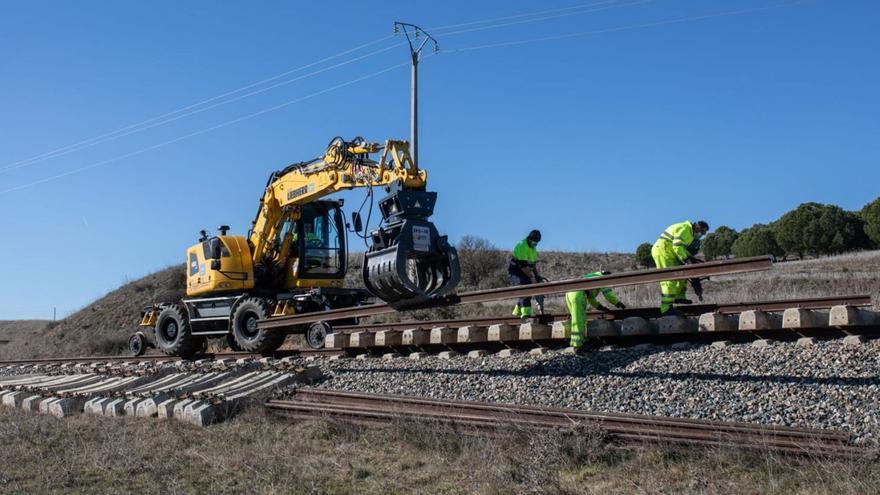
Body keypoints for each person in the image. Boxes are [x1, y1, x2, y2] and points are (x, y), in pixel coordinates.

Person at [651, 220, 710, 314]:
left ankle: (679, 296)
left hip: (670, 253)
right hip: (663, 252)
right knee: (669, 280)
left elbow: (681, 248)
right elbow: (677, 246)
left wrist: (691, 258)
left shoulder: (690, 233)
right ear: (698, 228)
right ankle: (666, 309)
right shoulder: (686, 229)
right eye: (702, 233)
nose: (701, 235)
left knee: (682, 274)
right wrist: (686, 258)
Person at [564, 271, 627, 349]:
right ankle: (578, 345)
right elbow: (608, 295)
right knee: (579, 319)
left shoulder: (592, 276)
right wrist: (617, 303)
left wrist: (599, 307)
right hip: (578, 295)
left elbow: (590, 298)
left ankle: (576, 341)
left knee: (575, 318)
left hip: (569, 293)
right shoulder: (603, 279)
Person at [509, 230, 543, 320]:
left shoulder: (533, 249)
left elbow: (532, 265)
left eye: (537, 242)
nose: (536, 244)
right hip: (516, 270)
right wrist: (532, 278)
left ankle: (516, 313)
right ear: (530, 239)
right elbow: (523, 266)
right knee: (525, 289)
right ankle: (525, 316)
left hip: (525, 269)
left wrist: (537, 275)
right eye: (535, 241)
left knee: (528, 290)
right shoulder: (522, 246)